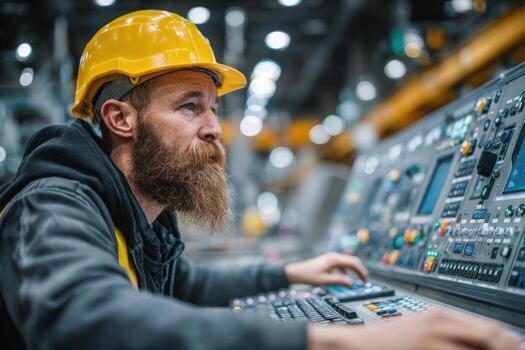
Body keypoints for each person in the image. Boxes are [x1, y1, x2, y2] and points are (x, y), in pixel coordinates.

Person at [0, 9, 521, 350]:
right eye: (189, 106)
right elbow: (83, 321)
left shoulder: (139, 216)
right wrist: (339, 340)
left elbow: (187, 284)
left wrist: (292, 274)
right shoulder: (55, 204)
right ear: (121, 120)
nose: (213, 128)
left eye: (213, 107)